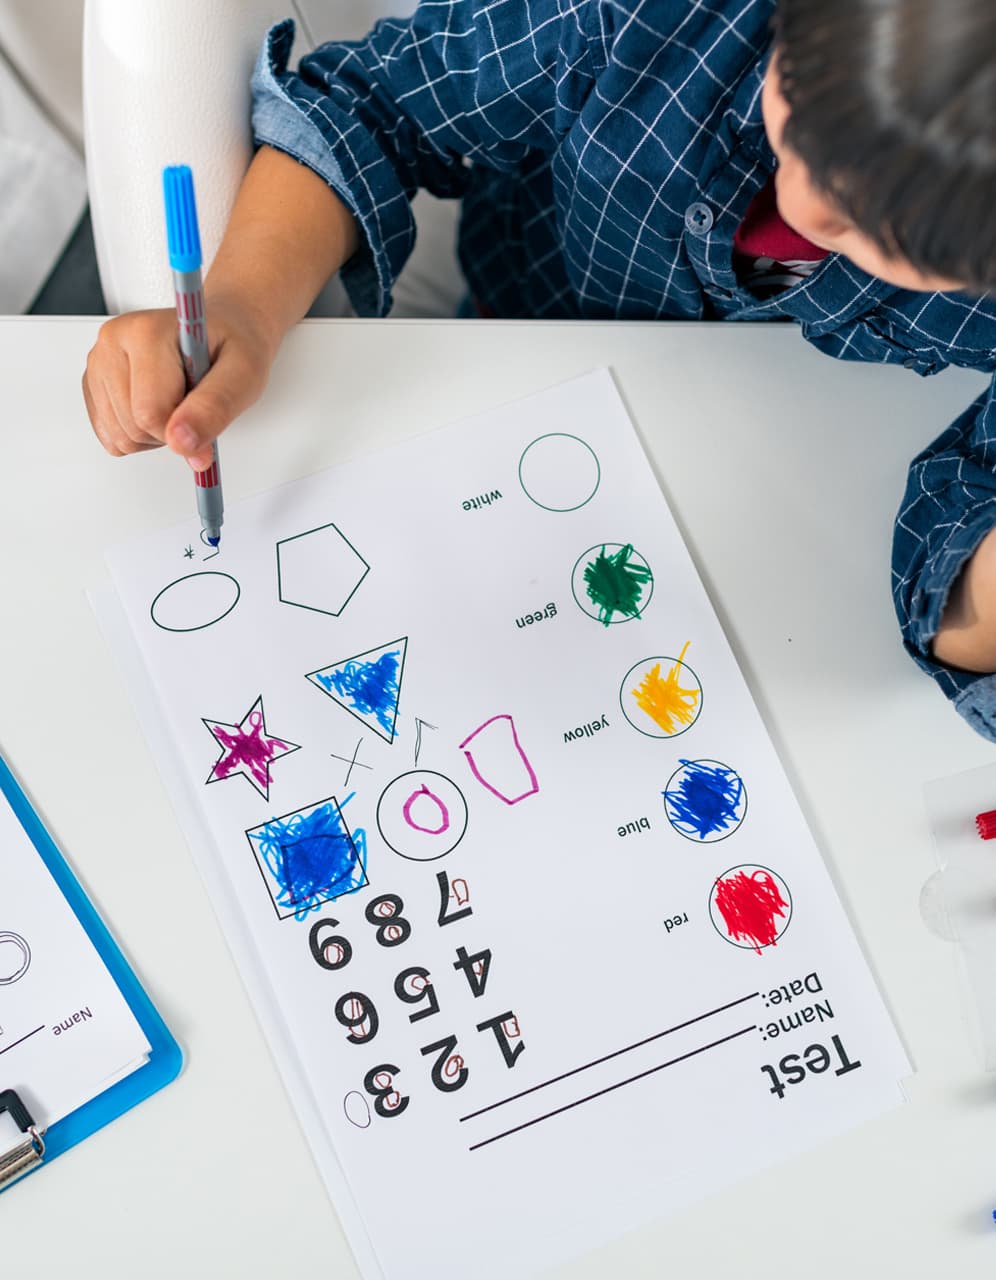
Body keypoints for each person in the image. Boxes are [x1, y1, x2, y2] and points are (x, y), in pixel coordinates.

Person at [82, 0, 996, 736]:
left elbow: (960, 578)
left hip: (785, 545)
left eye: (875, 231)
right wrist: (242, 301)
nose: (800, 197)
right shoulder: (650, 19)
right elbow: (379, 104)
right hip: (515, 364)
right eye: (797, 101)